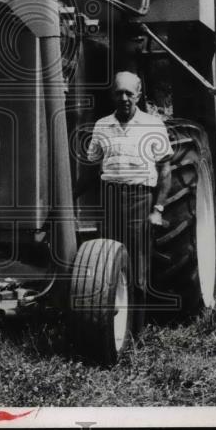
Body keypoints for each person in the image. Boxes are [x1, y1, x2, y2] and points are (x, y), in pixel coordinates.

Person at [75, 71, 173, 331]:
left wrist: (157, 210)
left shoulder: (153, 125)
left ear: (139, 95)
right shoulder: (102, 126)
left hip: (140, 201)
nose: (124, 98)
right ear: (113, 95)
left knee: (138, 272)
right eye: (119, 93)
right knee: (107, 266)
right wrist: (69, 198)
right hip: (109, 201)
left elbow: (165, 172)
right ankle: (112, 331)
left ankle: (137, 335)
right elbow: (90, 171)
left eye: (129, 93)